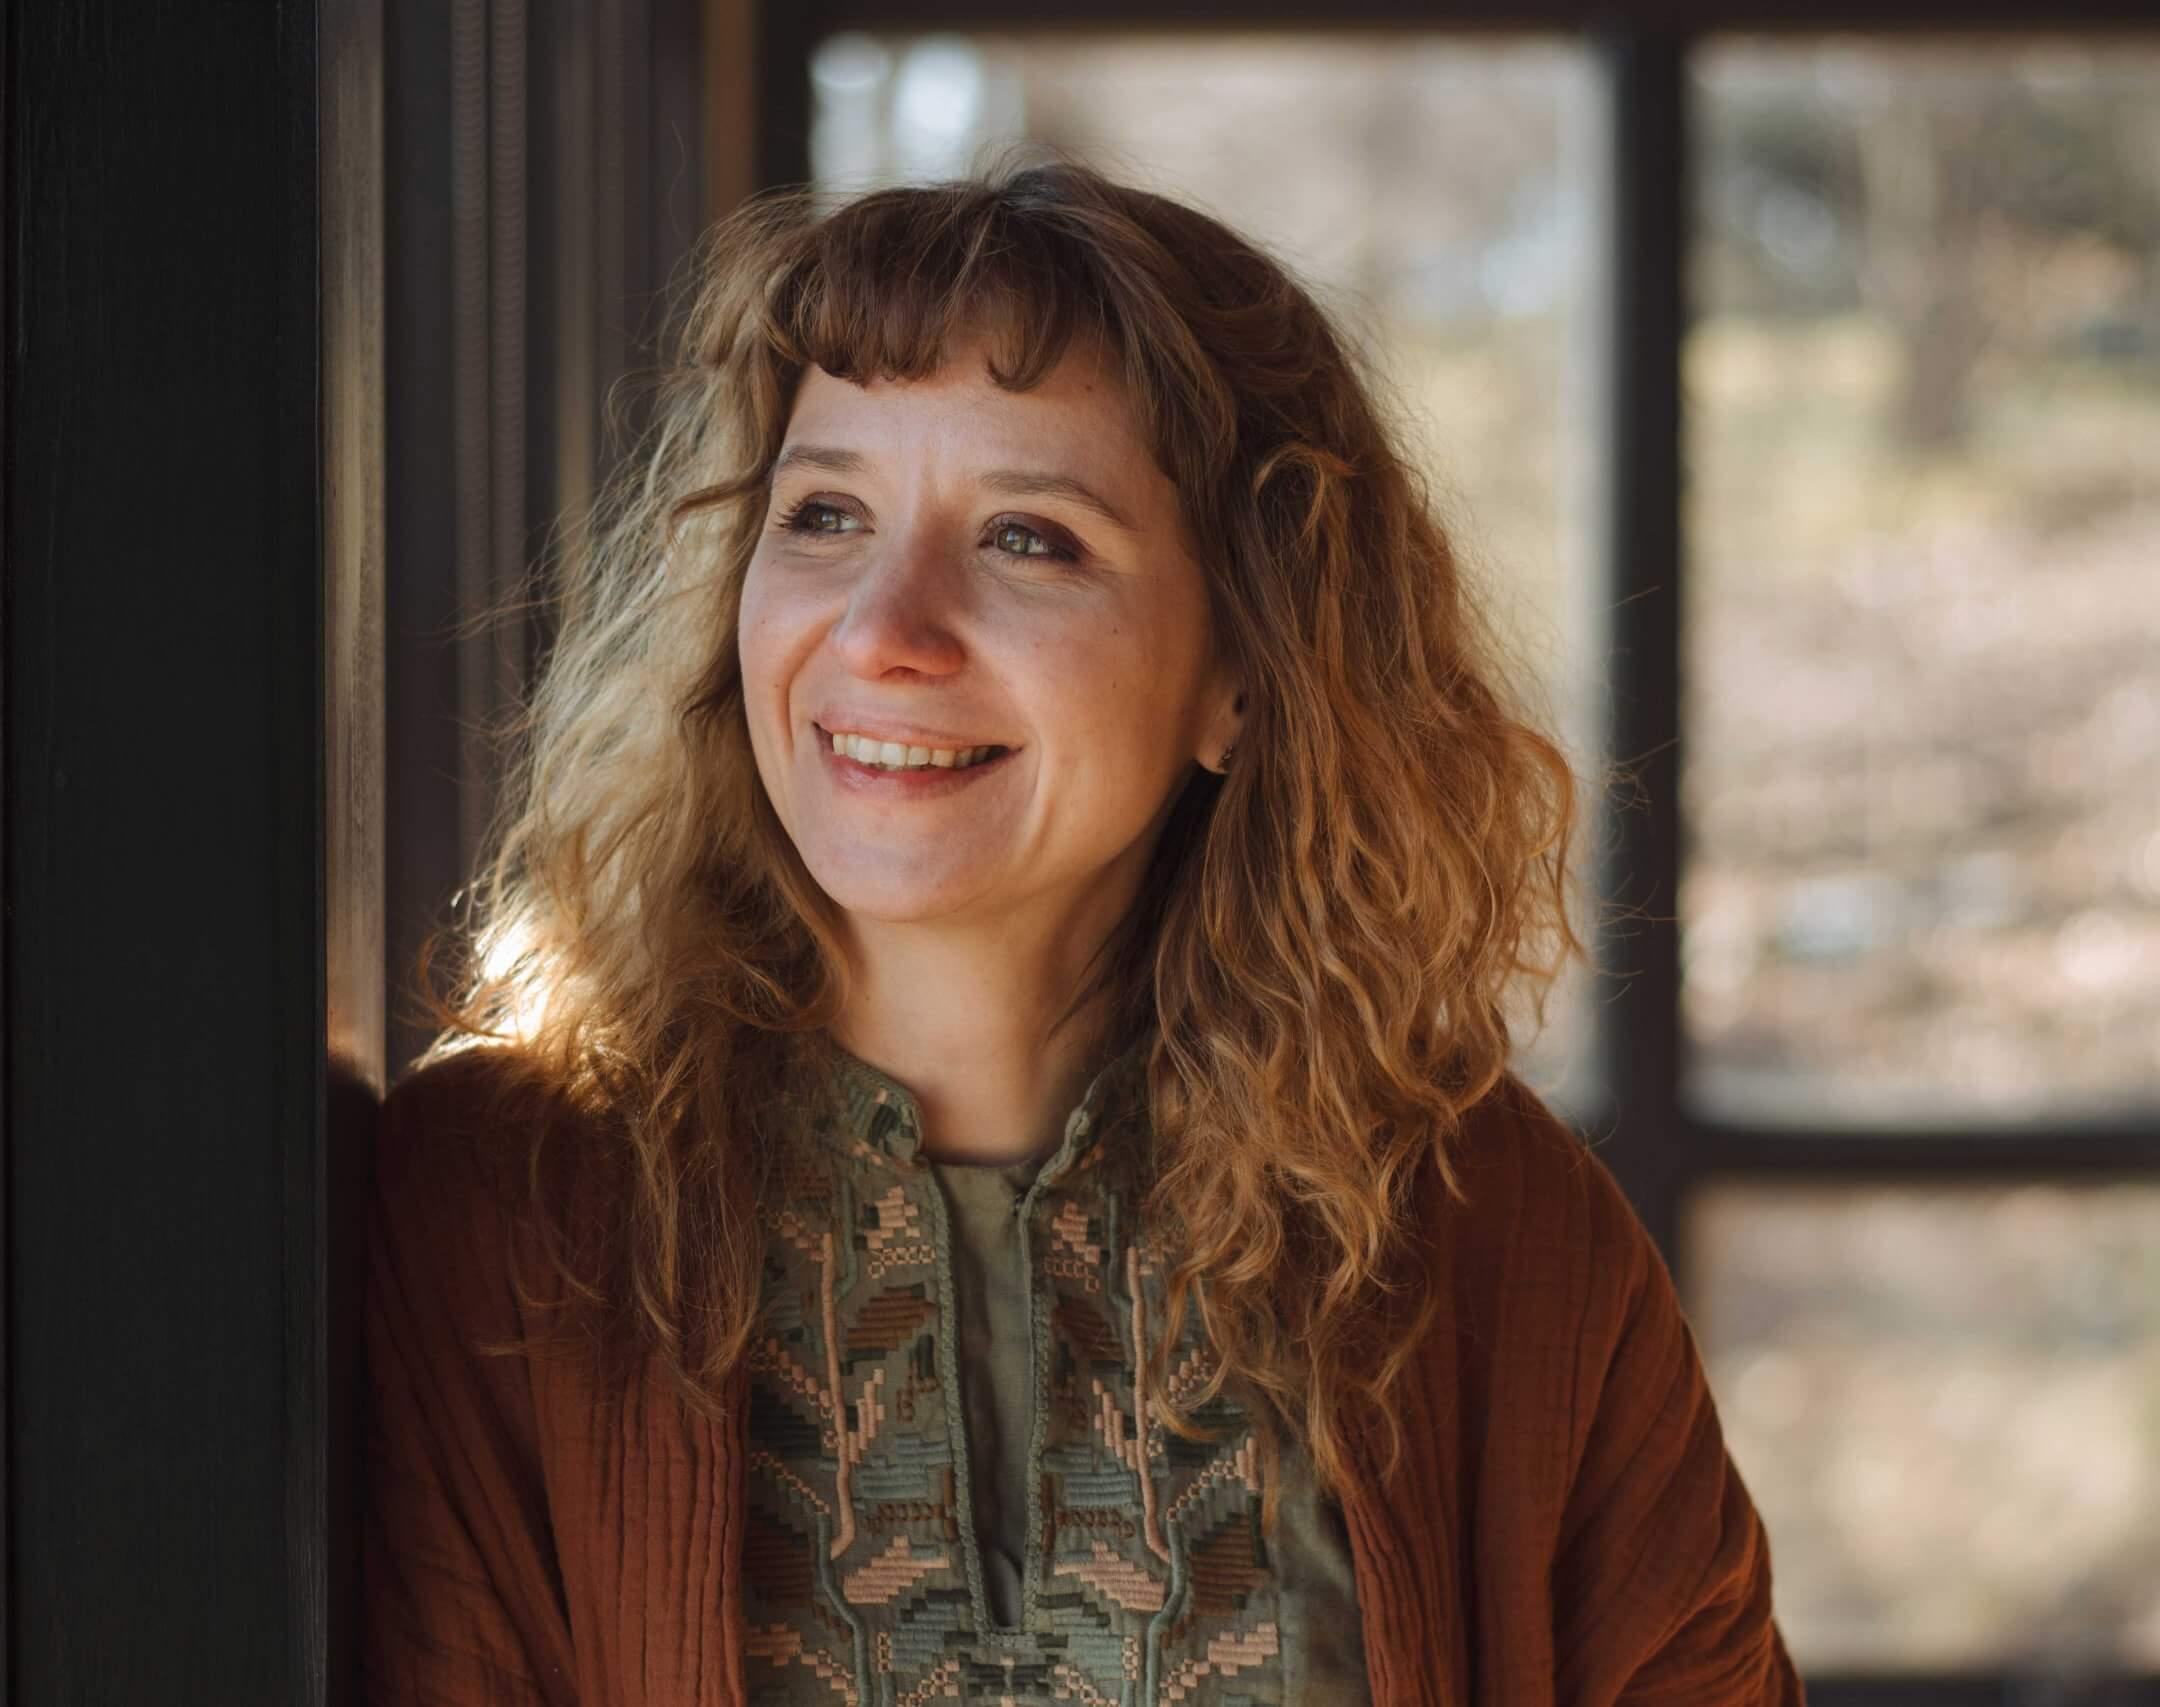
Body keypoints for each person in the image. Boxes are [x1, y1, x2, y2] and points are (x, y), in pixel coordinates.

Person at [361, 156, 1800, 1707]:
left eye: (1027, 539)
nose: (882, 634)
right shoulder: (491, 1217)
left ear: (1244, 672)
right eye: (827, 514)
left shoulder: (1493, 1235)